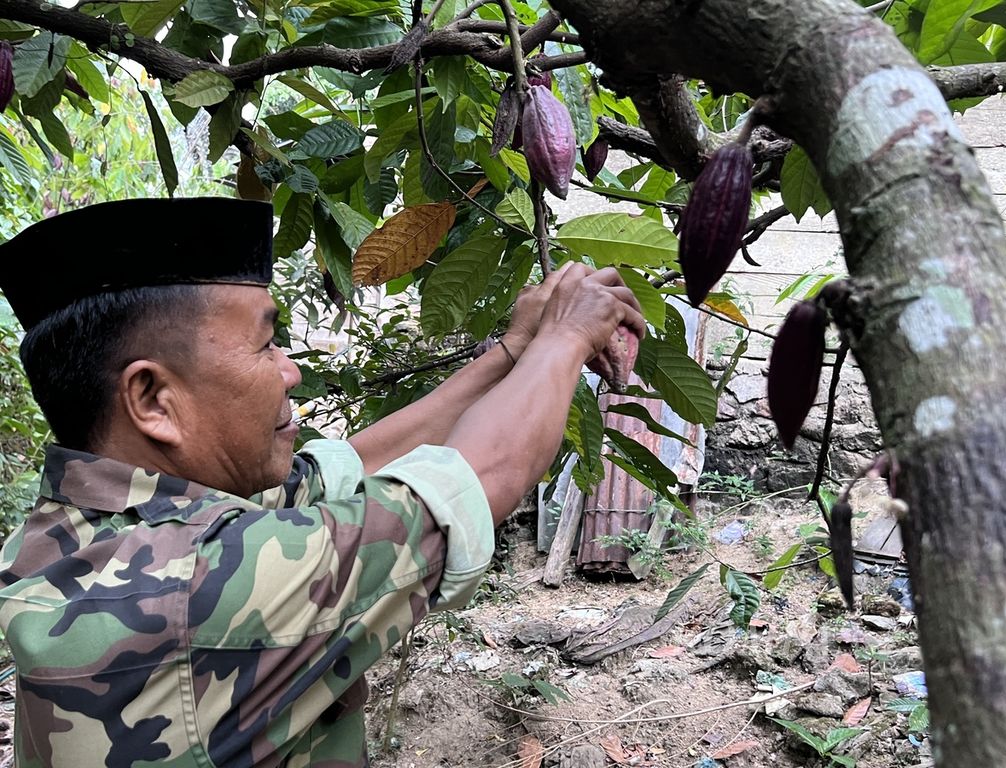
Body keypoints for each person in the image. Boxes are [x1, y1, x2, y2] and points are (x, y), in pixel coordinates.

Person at [0, 197, 644, 767]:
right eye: (265, 345)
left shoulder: (73, 529)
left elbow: (344, 471)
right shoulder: (191, 587)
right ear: (152, 399)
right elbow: (474, 481)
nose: (291, 372)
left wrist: (512, 351)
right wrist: (567, 337)